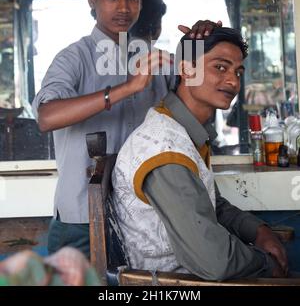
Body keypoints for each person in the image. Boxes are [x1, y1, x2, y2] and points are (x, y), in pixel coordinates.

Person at [32, 0, 220, 258]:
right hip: (80, 220)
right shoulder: (74, 58)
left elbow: (200, 107)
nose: (123, 7)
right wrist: (127, 88)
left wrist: (205, 45)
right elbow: (46, 117)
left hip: (142, 218)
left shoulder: (155, 60)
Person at [112, 27, 288, 280]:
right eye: (220, 67)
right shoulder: (165, 149)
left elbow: (210, 204)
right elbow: (215, 261)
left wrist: (258, 230)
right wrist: (265, 263)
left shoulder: (182, 132)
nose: (233, 81)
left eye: (238, 72)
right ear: (185, 70)